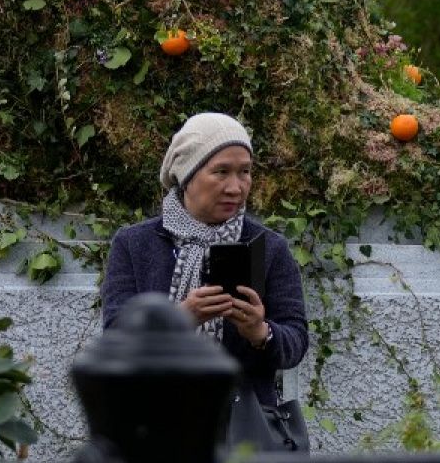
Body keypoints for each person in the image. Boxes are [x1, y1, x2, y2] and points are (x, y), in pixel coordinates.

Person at [100, 112, 311, 454]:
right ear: (186, 175)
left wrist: (260, 333)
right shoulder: (135, 244)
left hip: (245, 430)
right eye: (221, 172)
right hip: (154, 424)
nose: (236, 187)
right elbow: (114, 337)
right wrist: (179, 319)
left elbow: (296, 341)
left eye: (245, 171)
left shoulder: (269, 247)